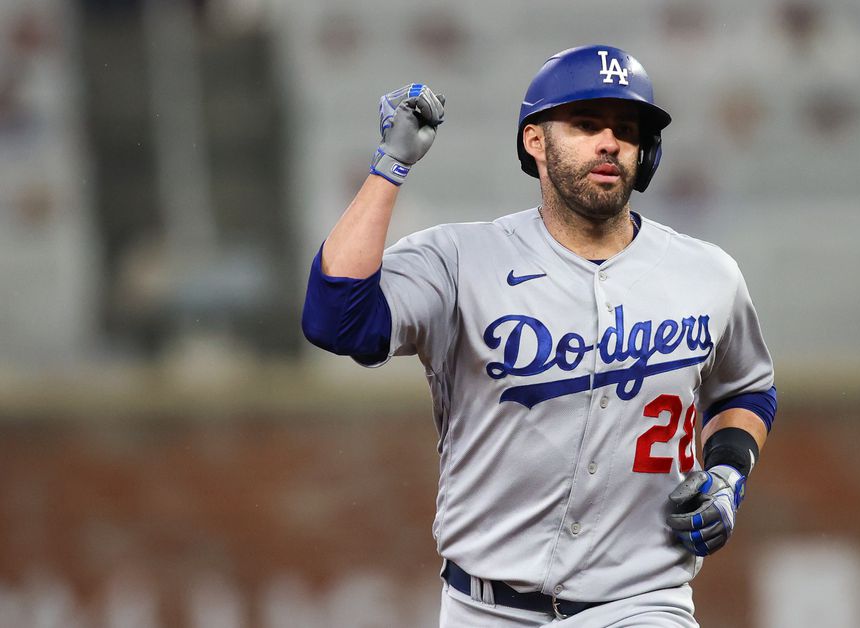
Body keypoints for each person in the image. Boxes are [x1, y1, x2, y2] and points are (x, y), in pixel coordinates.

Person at [301, 45, 776, 627]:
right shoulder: (461, 259)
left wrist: (728, 473)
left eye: (627, 130)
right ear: (535, 141)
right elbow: (336, 319)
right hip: (485, 607)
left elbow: (745, 391)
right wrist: (390, 166)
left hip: (642, 602)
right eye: (585, 125)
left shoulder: (707, 274)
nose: (610, 142)